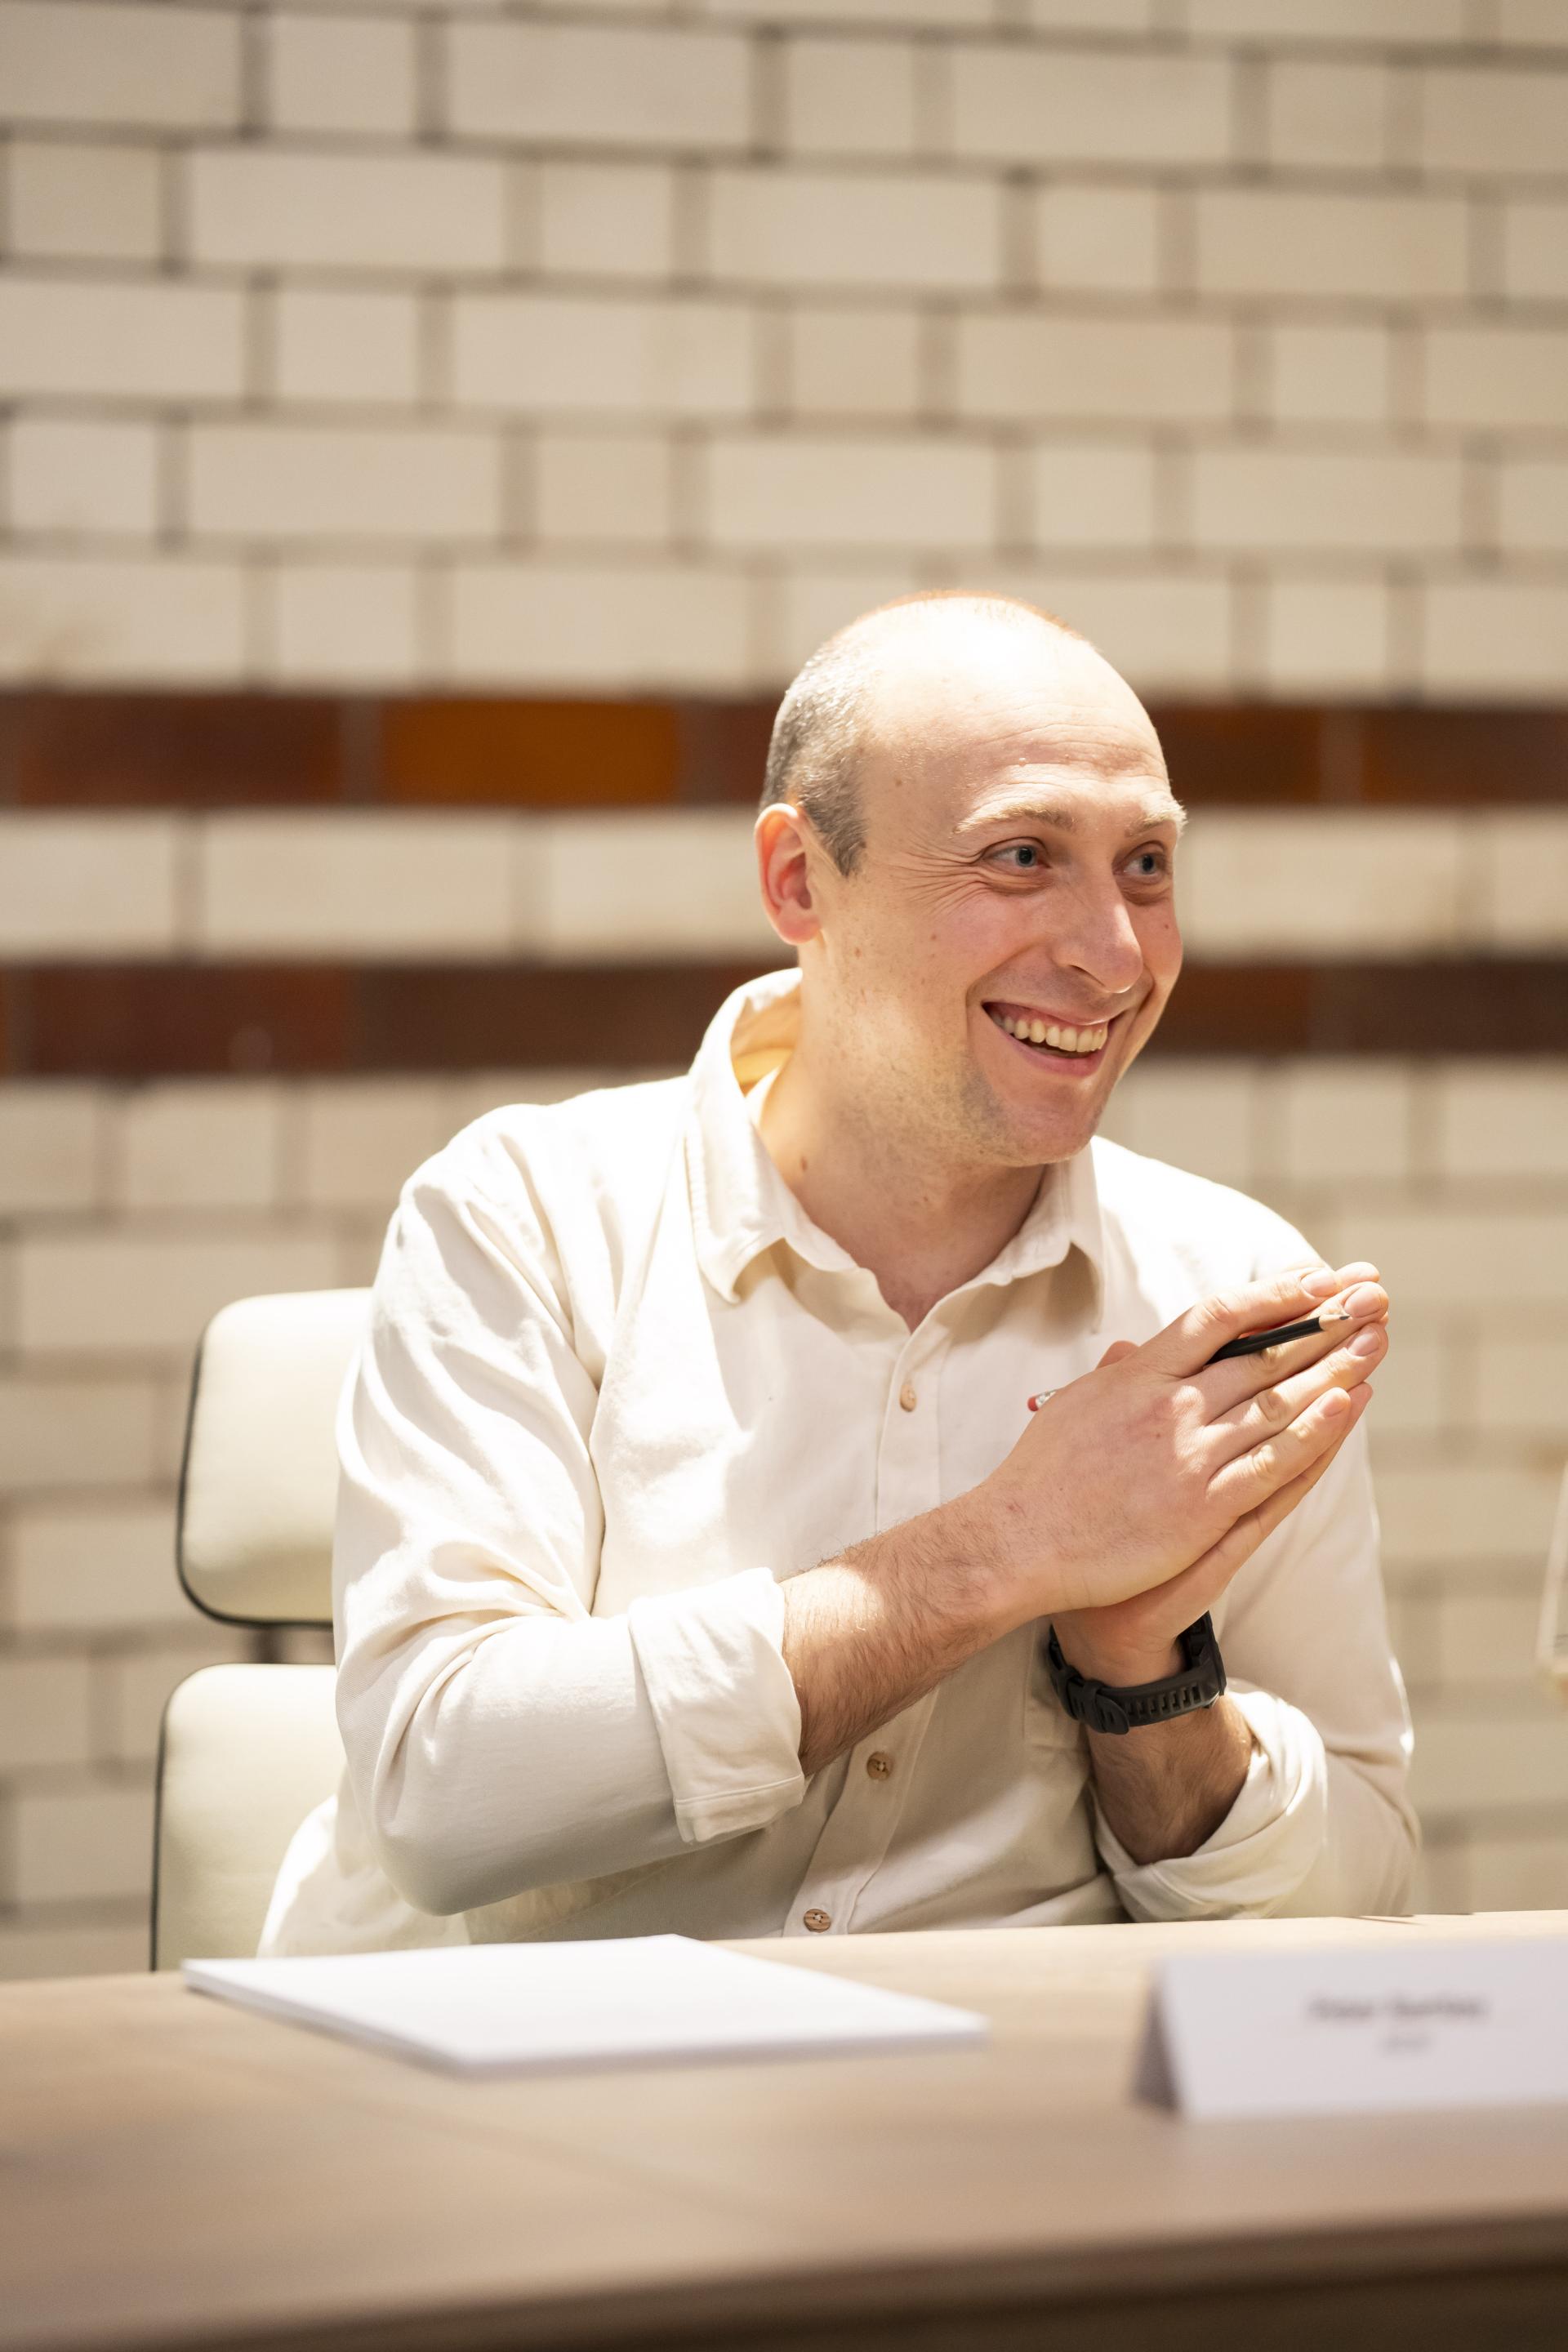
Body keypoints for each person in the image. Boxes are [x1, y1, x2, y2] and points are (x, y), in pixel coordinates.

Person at [262, 594, 1414, 1957]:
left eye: (1147, 865)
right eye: (1024, 855)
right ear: (801, 881)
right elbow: (442, 1795)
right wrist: (999, 1553)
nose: (1115, 956)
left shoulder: (1229, 1293)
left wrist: (1144, 1682)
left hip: (1010, 2115)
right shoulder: (522, 1214)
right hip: (533, 2110)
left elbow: (1362, 1895)